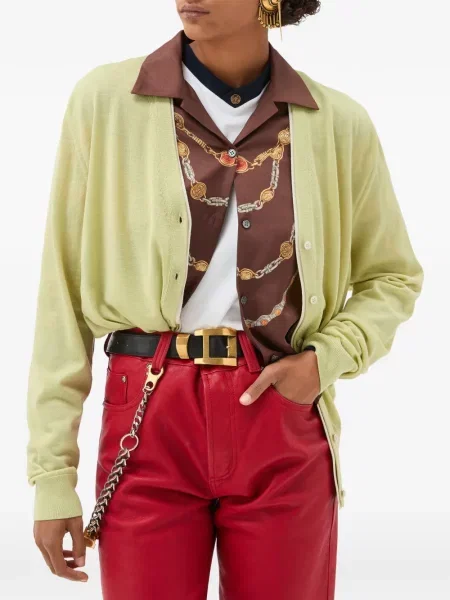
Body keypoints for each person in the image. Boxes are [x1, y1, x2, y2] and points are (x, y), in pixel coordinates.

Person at [26, 1, 424, 598]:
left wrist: (324, 361)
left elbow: (391, 277)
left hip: (279, 412)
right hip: (147, 413)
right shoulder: (106, 102)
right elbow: (61, 289)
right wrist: (52, 474)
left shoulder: (338, 123)